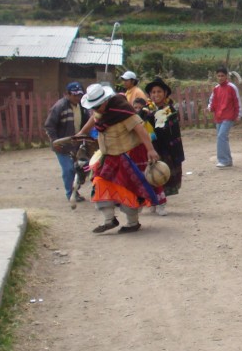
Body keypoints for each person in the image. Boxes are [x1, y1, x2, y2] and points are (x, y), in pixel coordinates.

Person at [78, 83, 163, 234]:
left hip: (126, 156)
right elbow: (94, 118)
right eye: (93, 107)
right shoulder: (100, 112)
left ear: (105, 101)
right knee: (100, 183)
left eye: (97, 106)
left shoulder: (123, 111)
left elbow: (140, 129)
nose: (95, 109)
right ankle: (109, 220)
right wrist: (82, 133)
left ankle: (132, 223)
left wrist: (150, 149)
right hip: (108, 157)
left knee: (127, 190)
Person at [45, 82, 90, 202]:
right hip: (62, 145)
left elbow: (87, 123)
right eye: (75, 95)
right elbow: (49, 126)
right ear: (67, 94)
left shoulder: (83, 107)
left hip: (78, 144)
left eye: (79, 95)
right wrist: (55, 142)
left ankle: (76, 188)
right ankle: (71, 193)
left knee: (85, 166)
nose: (77, 98)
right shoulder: (59, 107)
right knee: (68, 169)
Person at [145, 78, 186, 209]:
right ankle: (153, 201)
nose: (156, 95)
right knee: (150, 173)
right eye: (153, 92)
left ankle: (161, 203)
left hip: (167, 148)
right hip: (150, 147)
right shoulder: (146, 109)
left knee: (161, 173)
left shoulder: (170, 110)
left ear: (165, 94)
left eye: (159, 92)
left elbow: (161, 126)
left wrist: (150, 117)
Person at [207, 66, 242, 168]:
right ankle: (228, 160)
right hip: (219, 116)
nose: (220, 78)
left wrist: (239, 114)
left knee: (221, 136)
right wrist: (210, 107)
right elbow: (212, 100)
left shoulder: (232, 87)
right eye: (218, 76)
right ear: (216, 76)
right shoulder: (216, 88)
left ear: (226, 76)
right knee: (222, 138)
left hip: (229, 116)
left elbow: (237, 101)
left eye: (222, 76)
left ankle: (223, 160)